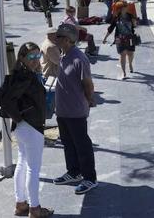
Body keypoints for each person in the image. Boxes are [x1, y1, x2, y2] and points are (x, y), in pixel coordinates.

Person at [2, 43, 54, 218]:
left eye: (37, 56)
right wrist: (19, 116)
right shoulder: (26, 77)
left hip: (22, 128)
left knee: (23, 163)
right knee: (33, 169)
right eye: (30, 57)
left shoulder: (23, 74)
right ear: (22, 58)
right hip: (30, 128)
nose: (35, 60)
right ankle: (35, 209)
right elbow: (8, 100)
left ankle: (20, 204)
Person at [52, 24, 98, 194]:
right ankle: (74, 172)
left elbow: (88, 84)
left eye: (59, 37)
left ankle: (90, 178)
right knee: (68, 143)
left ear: (68, 39)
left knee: (82, 145)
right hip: (63, 111)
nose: (56, 40)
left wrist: (89, 100)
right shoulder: (64, 55)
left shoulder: (79, 59)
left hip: (76, 111)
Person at [103, 4, 138, 80]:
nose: (126, 8)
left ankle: (130, 64)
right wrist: (105, 38)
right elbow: (111, 29)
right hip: (120, 38)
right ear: (120, 9)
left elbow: (134, 26)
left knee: (130, 53)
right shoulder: (116, 18)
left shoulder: (130, 16)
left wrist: (134, 22)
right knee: (123, 54)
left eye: (126, 7)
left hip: (130, 38)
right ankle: (123, 72)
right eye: (124, 7)